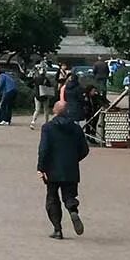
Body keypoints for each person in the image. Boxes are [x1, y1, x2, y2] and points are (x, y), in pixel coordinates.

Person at [36, 99, 90, 239]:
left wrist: (41, 167)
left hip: (52, 168)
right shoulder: (76, 128)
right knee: (69, 195)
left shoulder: (48, 127)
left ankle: (57, 229)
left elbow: (43, 149)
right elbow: (85, 149)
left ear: (54, 111)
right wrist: (74, 159)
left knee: (52, 197)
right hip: (71, 168)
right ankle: (73, 210)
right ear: (68, 111)